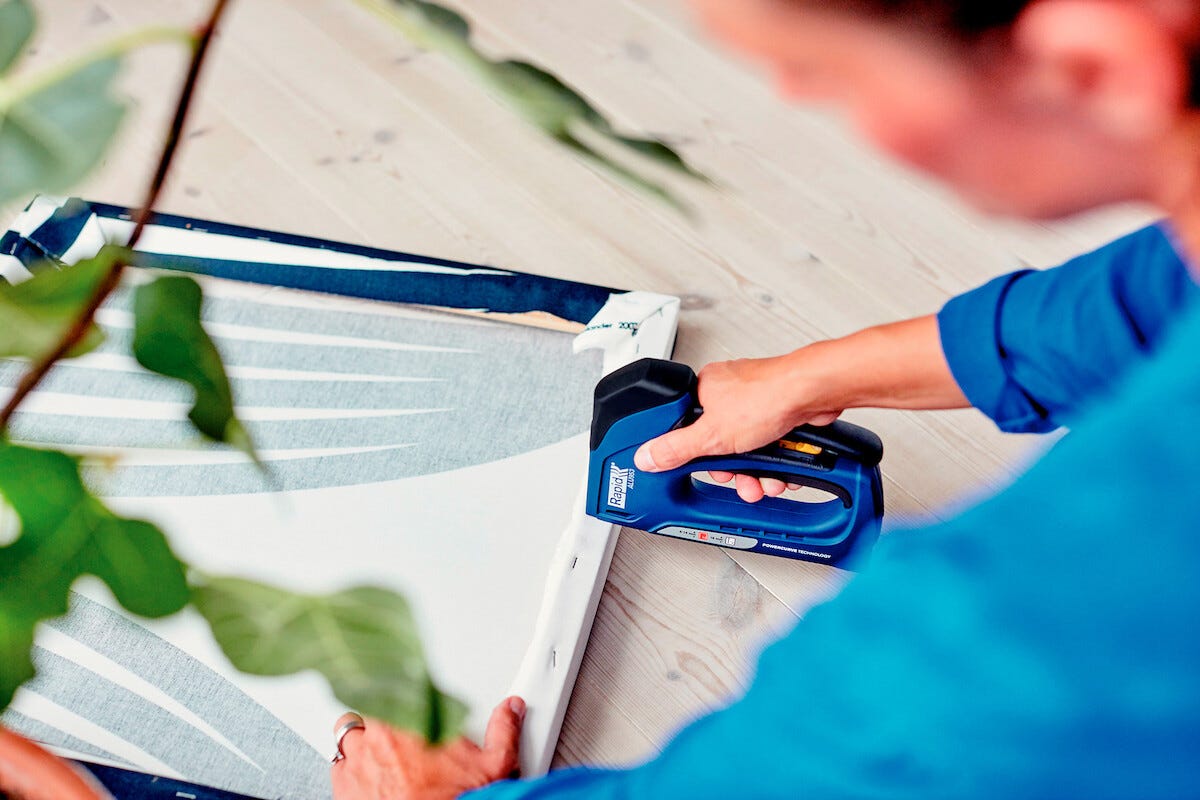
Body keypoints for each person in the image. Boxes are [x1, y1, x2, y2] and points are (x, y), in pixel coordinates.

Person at [330, 1, 1200, 797]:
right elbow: (1130, 304)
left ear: (1096, 67)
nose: (792, 95)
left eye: (826, 70)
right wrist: (806, 381)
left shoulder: (1007, 626)